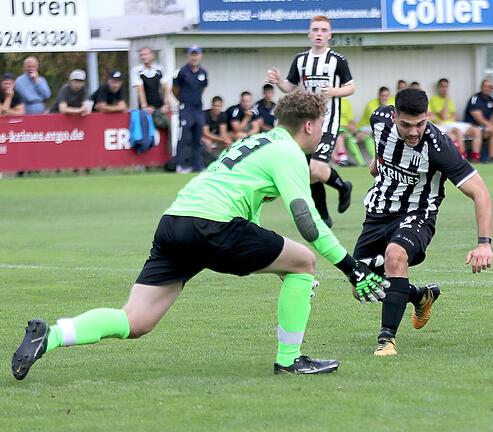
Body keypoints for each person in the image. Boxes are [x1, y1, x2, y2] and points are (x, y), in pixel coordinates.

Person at [10, 91, 390, 381]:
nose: (322, 132)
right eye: (321, 124)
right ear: (309, 125)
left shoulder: (252, 142)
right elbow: (307, 222)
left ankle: (54, 335)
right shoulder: (287, 152)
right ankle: (290, 361)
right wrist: (351, 268)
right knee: (303, 262)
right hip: (215, 226)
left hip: (175, 222)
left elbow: (271, 190)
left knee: (136, 320)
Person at [356, 88, 493, 356]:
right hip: (377, 214)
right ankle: (420, 296)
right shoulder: (379, 119)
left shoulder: (439, 146)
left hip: (417, 215)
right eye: (406, 125)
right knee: (360, 286)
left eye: (420, 124)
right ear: (394, 116)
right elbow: (379, 142)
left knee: (395, 256)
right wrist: (378, 161)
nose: (414, 132)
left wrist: (484, 244)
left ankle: (386, 340)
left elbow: (481, 192)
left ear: (428, 116)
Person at [266, 15, 354, 228]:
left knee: (315, 168)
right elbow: (291, 87)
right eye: (315, 30)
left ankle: (343, 187)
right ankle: (323, 216)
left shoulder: (338, 61)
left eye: (324, 30)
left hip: (328, 122)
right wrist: (279, 82)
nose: (319, 34)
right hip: (306, 125)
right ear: (309, 33)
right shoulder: (300, 60)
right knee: (309, 172)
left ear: (330, 35)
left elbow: (351, 87)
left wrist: (334, 91)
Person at [173, 46, 208, 173]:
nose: (194, 57)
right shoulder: (182, 71)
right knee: (183, 137)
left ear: (200, 56)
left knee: (197, 138)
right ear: (188, 56)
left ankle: (197, 165)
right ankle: (180, 165)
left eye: (196, 54)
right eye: (192, 55)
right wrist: (184, 101)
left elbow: (202, 88)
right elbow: (175, 90)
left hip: (198, 109)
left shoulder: (203, 72)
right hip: (186, 109)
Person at [429, 78, 482, 159]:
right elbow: (443, 116)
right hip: (444, 124)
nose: (444, 89)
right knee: (458, 132)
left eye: (446, 87)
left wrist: (449, 116)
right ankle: (463, 157)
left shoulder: (450, 100)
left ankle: (476, 157)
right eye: (442, 86)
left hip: (453, 123)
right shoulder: (434, 99)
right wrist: (446, 101)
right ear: (438, 87)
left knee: (476, 130)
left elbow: (455, 116)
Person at [464, 79, 493, 161]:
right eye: (485, 86)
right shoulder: (475, 98)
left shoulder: (490, 99)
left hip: (486, 128)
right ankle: (491, 157)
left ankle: (491, 156)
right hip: (474, 127)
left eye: (489, 87)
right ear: (481, 87)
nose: (487, 88)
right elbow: (479, 119)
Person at [133, 47, 171, 118]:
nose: (144, 57)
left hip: (160, 107)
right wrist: (145, 107)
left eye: (146, 54)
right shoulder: (137, 71)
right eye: (142, 55)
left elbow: (166, 88)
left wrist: (166, 104)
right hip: (145, 109)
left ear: (152, 55)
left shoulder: (160, 69)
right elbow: (140, 90)